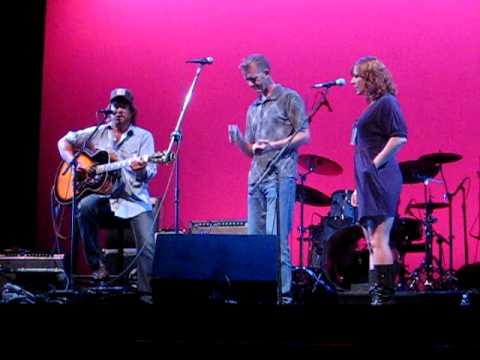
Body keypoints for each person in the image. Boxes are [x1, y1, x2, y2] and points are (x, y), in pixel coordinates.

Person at [58, 88, 157, 303]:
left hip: (134, 200)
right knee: (84, 206)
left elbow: (149, 173)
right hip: (105, 201)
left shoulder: (144, 137)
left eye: (124, 106)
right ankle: (97, 266)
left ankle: (146, 295)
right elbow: (64, 141)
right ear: (109, 109)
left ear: (132, 111)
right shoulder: (97, 132)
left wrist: (139, 169)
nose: (119, 110)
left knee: (148, 243)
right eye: (115, 106)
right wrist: (74, 164)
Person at [228, 54, 310, 303]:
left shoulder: (288, 98)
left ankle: (283, 296)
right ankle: (259, 294)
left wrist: (274, 144)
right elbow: (250, 150)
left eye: (253, 79)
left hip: (280, 176)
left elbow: (305, 135)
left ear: (267, 72)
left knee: (277, 240)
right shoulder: (252, 108)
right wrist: (239, 141)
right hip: (256, 179)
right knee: (256, 241)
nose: (250, 84)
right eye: (246, 81)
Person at [350, 56, 408, 305]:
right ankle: (377, 294)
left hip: (381, 177)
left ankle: (384, 298)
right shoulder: (373, 106)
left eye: (357, 76)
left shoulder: (387, 103)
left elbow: (399, 138)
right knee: (371, 241)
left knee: (379, 238)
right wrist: (359, 186)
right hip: (368, 179)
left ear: (370, 79)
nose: (352, 81)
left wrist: (374, 166)